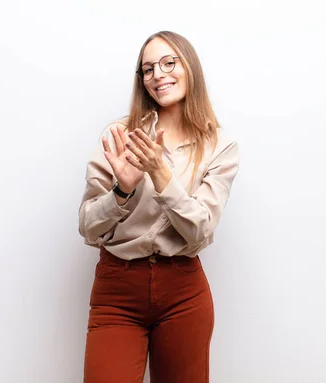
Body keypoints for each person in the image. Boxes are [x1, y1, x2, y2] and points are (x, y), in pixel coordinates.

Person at [78, 31, 240, 383]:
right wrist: (122, 189)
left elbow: (199, 233)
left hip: (183, 292)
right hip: (116, 289)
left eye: (169, 62)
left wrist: (160, 173)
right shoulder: (120, 135)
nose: (158, 74)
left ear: (189, 67)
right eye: (148, 69)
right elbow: (89, 229)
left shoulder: (220, 147)